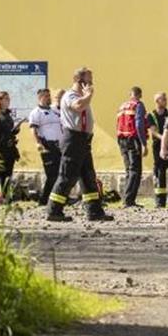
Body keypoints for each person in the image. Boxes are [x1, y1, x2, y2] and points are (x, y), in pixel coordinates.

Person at [45, 67, 113, 222]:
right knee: (67, 175)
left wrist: (87, 96)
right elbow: (77, 106)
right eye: (89, 78)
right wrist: (88, 95)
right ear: (79, 81)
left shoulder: (82, 96)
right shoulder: (70, 95)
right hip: (73, 140)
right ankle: (53, 210)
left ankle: (94, 211)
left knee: (88, 176)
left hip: (83, 140)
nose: (92, 82)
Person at [28, 88, 64, 206]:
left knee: (61, 173)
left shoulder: (54, 110)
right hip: (47, 146)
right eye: (46, 96)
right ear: (40, 98)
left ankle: (58, 199)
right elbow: (34, 130)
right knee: (52, 175)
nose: (49, 98)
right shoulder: (36, 112)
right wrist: (38, 143)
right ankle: (44, 200)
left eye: (49, 96)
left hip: (59, 146)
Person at [0, 91, 24, 204]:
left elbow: (8, 131)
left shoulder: (7, 115)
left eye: (9, 99)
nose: (8, 101)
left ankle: (6, 198)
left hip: (10, 150)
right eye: (6, 99)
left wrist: (15, 131)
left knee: (7, 175)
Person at [116, 86, 148, 208]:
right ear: (140, 95)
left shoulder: (122, 106)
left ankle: (126, 198)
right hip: (133, 139)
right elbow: (139, 124)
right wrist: (143, 143)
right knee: (135, 170)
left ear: (130, 94)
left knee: (129, 169)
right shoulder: (138, 105)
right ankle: (129, 200)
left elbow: (118, 123)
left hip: (122, 139)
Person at [147, 92, 168, 207]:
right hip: (158, 147)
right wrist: (164, 138)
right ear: (157, 101)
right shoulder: (151, 115)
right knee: (160, 172)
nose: (165, 101)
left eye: (166, 99)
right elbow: (153, 131)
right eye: (163, 99)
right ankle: (160, 201)